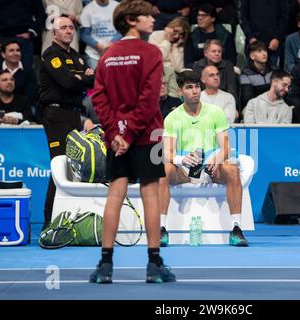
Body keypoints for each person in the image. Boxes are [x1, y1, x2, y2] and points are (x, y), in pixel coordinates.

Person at [91, 0, 176, 284]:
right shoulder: (150, 52)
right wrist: (128, 134)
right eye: (147, 16)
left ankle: (105, 265)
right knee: (151, 192)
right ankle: (154, 265)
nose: (153, 20)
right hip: (147, 134)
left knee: (115, 193)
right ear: (130, 20)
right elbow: (150, 99)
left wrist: (115, 132)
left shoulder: (108, 55)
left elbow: (99, 98)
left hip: (117, 137)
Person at [159, 69, 249, 247]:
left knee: (232, 169)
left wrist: (216, 159)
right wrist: (181, 160)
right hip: (186, 168)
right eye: (189, 87)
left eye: (197, 87)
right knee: (163, 171)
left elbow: (225, 147)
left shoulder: (215, 112)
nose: (194, 91)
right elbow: (168, 153)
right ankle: (161, 229)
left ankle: (236, 229)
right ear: (180, 92)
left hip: (211, 166)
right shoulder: (172, 118)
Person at [39, 16, 95, 230]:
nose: (68, 31)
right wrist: (82, 77)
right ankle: (48, 220)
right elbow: (67, 82)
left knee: (74, 166)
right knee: (59, 163)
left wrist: (80, 78)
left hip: (74, 115)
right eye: (63, 28)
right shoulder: (51, 54)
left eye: (71, 27)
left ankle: (69, 217)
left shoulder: (78, 57)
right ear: (55, 33)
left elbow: (93, 80)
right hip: (55, 114)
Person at [0, 0, 46, 69]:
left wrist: (31, 33)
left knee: (25, 73)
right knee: (0, 74)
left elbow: (41, 16)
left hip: (24, 41)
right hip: (1, 41)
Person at [0, 40, 37, 108]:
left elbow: (30, 96)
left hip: (22, 108)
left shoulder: (29, 71)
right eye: (11, 50)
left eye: (18, 50)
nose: (16, 53)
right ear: (3, 54)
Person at [238, 0, 289, 67]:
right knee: (251, 72)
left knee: (272, 74)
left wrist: (277, 38)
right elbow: (242, 17)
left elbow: (284, 17)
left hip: (273, 43)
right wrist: (250, 37)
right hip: (254, 41)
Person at [192, 39, 238, 105]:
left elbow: (232, 89)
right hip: (203, 100)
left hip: (224, 100)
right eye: (214, 51)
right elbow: (196, 88)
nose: (217, 54)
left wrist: (234, 106)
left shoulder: (228, 65)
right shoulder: (197, 66)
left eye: (219, 51)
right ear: (206, 53)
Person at [80, 0, 122, 70]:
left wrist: (112, 43)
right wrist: (97, 45)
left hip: (115, 52)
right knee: (95, 79)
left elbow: (122, 29)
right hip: (94, 55)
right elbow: (84, 34)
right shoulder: (87, 9)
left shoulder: (118, 7)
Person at [239, 40, 278, 113]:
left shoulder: (274, 70)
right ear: (252, 56)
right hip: (255, 107)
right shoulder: (246, 74)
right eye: (259, 51)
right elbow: (247, 98)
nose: (264, 54)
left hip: (274, 105)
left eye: (265, 51)